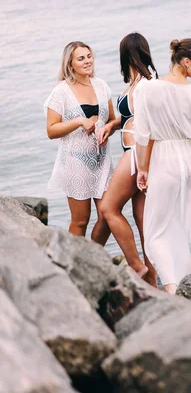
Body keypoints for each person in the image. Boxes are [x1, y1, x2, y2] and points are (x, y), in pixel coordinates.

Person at [134, 38, 191, 294]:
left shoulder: (147, 90)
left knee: (157, 230)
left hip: (164, 162)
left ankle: (172, 286)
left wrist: (143, 169)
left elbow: (143, 135)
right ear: (186, 62)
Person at [97, 33, 158, 283]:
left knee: (108, 208)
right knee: (144, 224)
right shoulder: (133, 85)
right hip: (133, 154)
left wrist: (146, 164)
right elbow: (125, 119)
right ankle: (153, 284)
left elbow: (153, 125)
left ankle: (136, 266)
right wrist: (110, 127)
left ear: (126, 55)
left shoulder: (146, 85)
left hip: (136, 155)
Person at [45, 41, 117, 243]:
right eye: (81, 58)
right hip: (75, 163)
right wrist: (78, 121)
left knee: (107, 215)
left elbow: (113, 119)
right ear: (70, 64)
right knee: (81, 220)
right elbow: (51, 130)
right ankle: (75, 263)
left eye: (89, 56)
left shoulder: (101, 86)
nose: (87, 61)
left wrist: (108, 128)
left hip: (102, 162)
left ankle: (92, 258)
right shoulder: (61, 92)